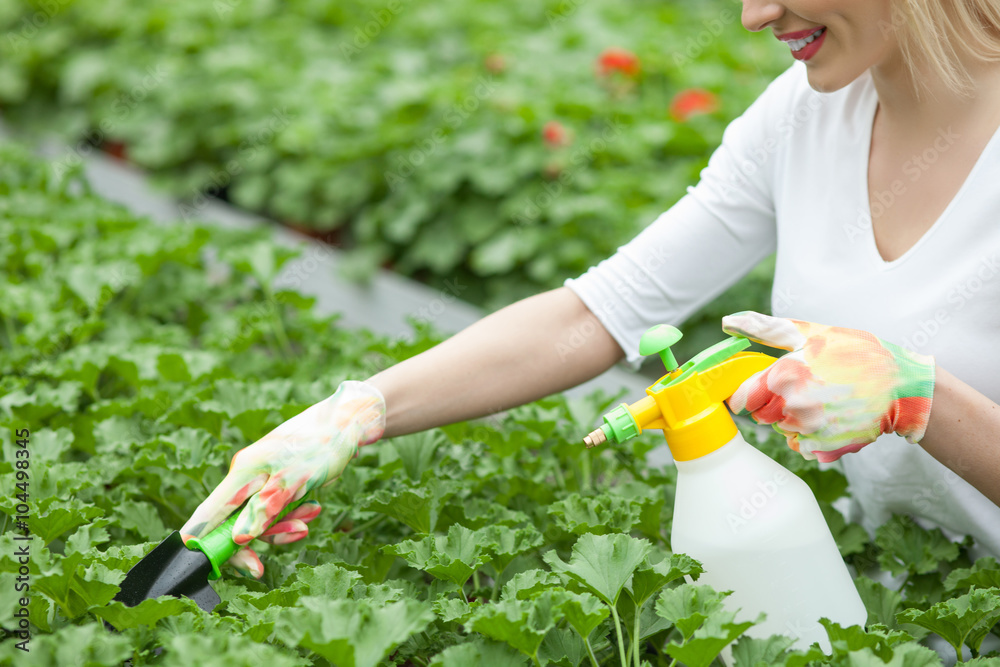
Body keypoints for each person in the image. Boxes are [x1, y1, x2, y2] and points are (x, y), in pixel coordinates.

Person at [180, 0, 1000, 579]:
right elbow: (601, 310)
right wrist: (356, 414)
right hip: (866, 600)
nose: (755, 15)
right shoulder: (804, 115)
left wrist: (922, 398)